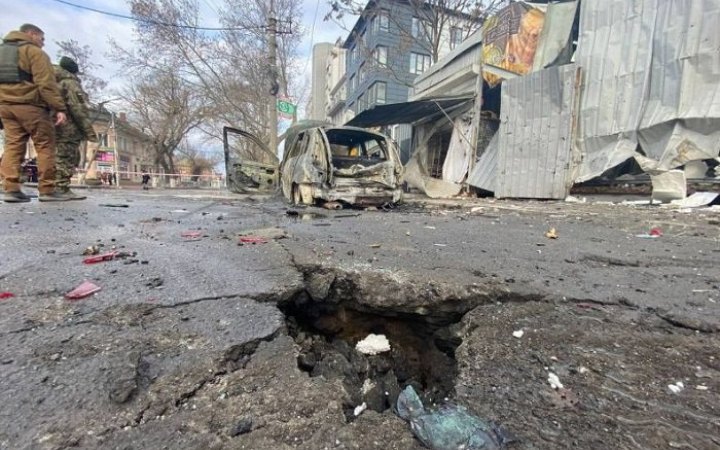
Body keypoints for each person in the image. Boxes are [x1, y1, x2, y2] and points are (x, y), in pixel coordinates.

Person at [0, 23, 71, 202]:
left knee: (13, 146)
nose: (43, 43)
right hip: (31, 106)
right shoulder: (35, 53)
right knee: (45, 145)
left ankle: (11, 189)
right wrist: (59, 108)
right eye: (42, 38)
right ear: (31, 34)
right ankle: (47, 190)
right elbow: (46, 84)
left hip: (6, 107)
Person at [53, 56, 97, 200]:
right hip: (68, 127)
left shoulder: (52, 81)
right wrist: (88, 130)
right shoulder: (70, 83)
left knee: (57, 156)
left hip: (53, 124)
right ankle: (60, 188)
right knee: (66, 157)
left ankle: (52, 187)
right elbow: (77, 107)